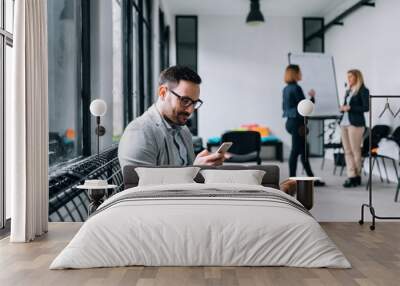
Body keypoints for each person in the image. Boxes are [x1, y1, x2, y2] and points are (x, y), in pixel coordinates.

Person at [118, 65, 225, 169]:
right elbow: (144, 186)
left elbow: (188, 178)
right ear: (163, 92)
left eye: (194, 103)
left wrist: (201, 168)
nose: (190, 110)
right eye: (185, 101)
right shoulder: (140, 132)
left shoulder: (183, 130)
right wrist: (196, 170)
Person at [282, 64, 325, 186]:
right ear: (295, 74)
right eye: (300, 72)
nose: (301, 74)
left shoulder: (286, 89)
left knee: (303, 151)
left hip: (290, 122)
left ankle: (311, 178)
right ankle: (291, 180)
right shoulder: (296, 88)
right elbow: (305, 107)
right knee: (296, 151)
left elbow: (284, 108)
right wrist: (312, 98)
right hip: (298, 124)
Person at [339, 69, 369, 187]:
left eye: (351, 77)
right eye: (348, 77)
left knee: (356, 151)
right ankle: (351, 176)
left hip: (355, 124)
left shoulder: (363, 90)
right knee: (347, 151)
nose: (349, 79)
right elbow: (345, 106)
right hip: (344, 124)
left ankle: (358, 176)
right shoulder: (348, 91)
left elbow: (366, 108)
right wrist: (342, 108)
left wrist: (350, 108)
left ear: (357, 77)